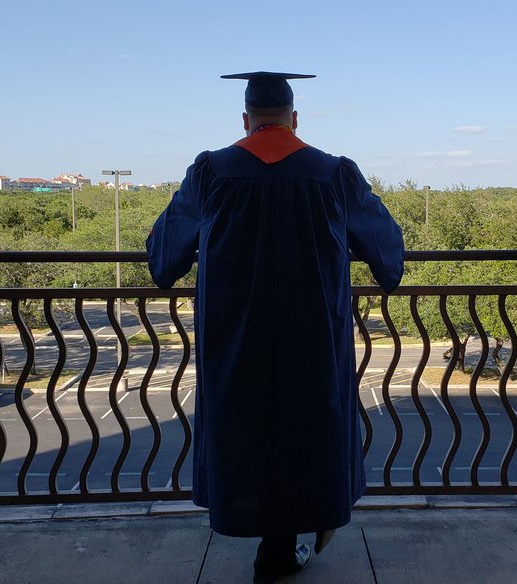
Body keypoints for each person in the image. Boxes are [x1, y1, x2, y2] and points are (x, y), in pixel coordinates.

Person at [145, 71, 404, 582]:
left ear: (245, 119)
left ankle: (273, 547)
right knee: (308, 430)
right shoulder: (333, 174)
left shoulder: (211, 173)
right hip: (313, 337)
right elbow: (388, 254)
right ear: (294, 119)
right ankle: (294, 538)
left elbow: (162, 261)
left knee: (247, 429)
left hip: (235, 334)